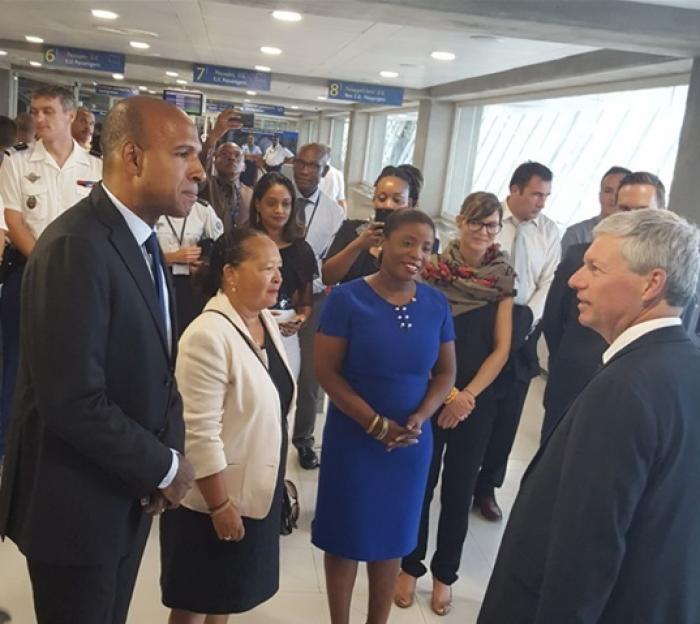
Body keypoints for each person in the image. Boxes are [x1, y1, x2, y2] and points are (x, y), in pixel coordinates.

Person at [0, 95, 200, 624]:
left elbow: (158, 367)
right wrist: (164, 466)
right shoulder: (76, 246)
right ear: (133, 157)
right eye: (184, 154)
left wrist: (165, 457)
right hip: (75, 509)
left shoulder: (141, 241)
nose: (198, 171)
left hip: (125, 492)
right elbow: (72, 400)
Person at [478, 209, 700, 624]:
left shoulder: (625, 388)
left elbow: (587, 552)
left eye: (595, 268)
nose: (575, 280)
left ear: (651, 283)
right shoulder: (684, 364)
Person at [313, 209, 457, 624]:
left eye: (426, 247)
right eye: (407, 242)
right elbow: (326, 371)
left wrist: (422, 416)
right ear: (382, 244)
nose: (417, 254)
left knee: (393, 538)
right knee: (345, 537)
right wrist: (374, 424)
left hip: (410, 444)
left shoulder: (435, 303)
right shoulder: (347, 299)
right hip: (354, 437)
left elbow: (446, 373)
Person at [161, 228, 295, 622]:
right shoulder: (207, 335)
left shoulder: (263, 320)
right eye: (266, 268)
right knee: (195, 598)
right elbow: (199, 432)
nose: (278, 277)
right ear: (231, 273)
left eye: (279, 268)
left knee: (228, 596)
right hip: (213, 498)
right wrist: (219, 505)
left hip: (250, 491)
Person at [395, 192, 515, 616]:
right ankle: (409, 566)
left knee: (460, 489)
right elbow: (418, 338)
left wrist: (466, 398)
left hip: (475, 401)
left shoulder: (502, 278)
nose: (483, 231)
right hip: (430, 394)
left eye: (491, 225)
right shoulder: (432, 272)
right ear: (460, 221)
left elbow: (502, 349)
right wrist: (446, 395)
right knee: (421, 484)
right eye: (476, 222)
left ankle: (445, 575)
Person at [0, 85, 102, 460]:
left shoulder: (95, 167)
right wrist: (46, 261)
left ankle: (67, 438)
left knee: (77, 358)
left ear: (70, 116)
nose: (39, 119)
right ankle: (7, 444)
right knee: (16, 359)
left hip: (82, 277)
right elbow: (14, 221)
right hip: (31, 270)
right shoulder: (17, 163)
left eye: (48, 111)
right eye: (35, 112)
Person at [541, 171, 666, 440]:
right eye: (624, 209)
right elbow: (553, 320)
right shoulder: (581, 257)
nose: (631, 219)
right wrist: (568, 359)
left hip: (637, 395)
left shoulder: (671, 275)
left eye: (642, 211)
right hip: (574, 381)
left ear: (661, 214)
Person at [473, 161, 560, 522]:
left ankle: (488, 486)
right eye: (536, 194)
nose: (542, 202)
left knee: (509, 411)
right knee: (477, 403)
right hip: (485, 316)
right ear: (515, 190)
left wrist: (526, 321)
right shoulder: (489, 220)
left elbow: (550, 280)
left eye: (546, 196)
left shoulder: (550, 231)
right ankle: (462, 473)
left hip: (525, 323)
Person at [291, 143, 344, 469]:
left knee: (310, 376)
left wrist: (311, 290)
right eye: (301, 163)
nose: (306, 171)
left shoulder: (334, 214)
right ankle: (267, 434)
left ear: (325, 172)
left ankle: (304, 441)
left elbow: (331, 265)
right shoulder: (277, 196)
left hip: (315, 297)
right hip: (274, 296)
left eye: (314, 166)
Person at [249, 172, 316, 378]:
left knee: (285, 391)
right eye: (272, 203)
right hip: (248, 328)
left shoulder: (301, 250)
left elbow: (306, 303)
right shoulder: (242, 244)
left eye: (286, 204)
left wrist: (300, 319)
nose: (279, 210)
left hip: (284, 333)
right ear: (258, 204)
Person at [322, 164, 423, 286]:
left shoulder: (418, 242)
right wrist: (358, 245)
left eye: (397, 200)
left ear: (409, 204)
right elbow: (328, 277)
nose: (388, 205)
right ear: (374, 200)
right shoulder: (351, 230)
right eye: (382, 198)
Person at [156, 199, 224, 336]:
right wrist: (172, 257)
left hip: (194, 283)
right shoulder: (154, 208)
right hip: (161, 279)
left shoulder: (202, 209)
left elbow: (222, 248)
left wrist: (205, 263)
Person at [198, 110, 251, 232]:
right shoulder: (206, 185)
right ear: (214, 162)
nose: (231, 158)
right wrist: (214, 135)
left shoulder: (250, 194)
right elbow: (202, 163)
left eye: (237, 155)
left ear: (244, 166)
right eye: (225, 154)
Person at [560, 166, 630, 256]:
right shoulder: (577, 233)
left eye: (619, 192)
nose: (613, 198)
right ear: (600, 195)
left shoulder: (638, 237)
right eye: (608, 191)